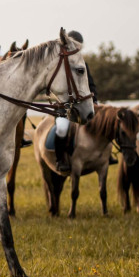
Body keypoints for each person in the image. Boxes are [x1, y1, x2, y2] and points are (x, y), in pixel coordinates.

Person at [47, 30, 98, 172]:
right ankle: (60, 159)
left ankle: (102, 156)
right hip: (63, 107)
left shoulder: (82, 64)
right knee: (62, 127)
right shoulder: (61, 65)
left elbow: (90, 85)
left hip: (80, 105)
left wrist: (96, 101)